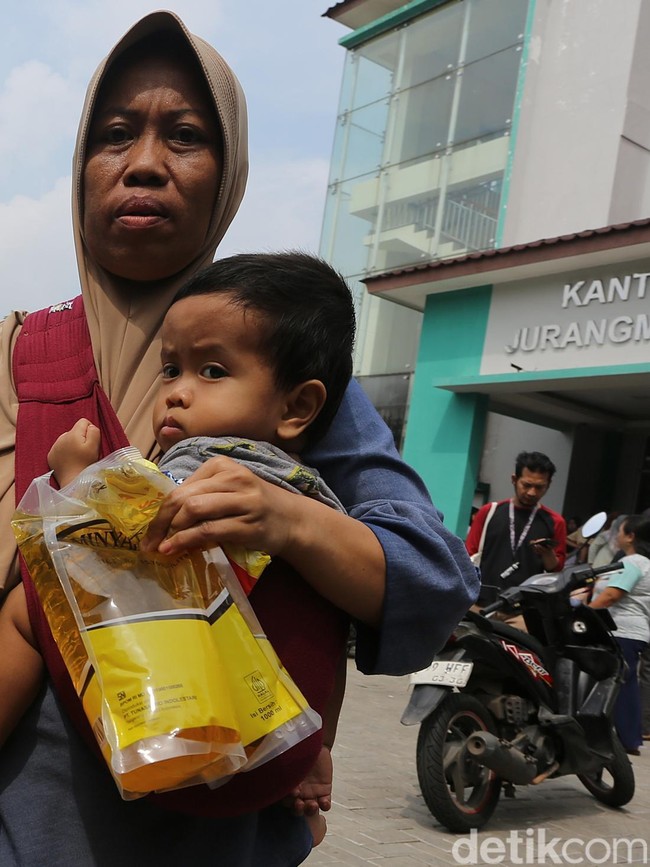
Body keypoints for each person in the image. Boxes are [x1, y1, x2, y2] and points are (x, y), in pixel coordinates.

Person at [0, 12, 479, 867]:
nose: (144, 162)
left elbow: (433, 576)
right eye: (114, 136)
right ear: (80, 168)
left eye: (184, 135)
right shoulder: (18, 352)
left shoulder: (271, 376)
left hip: (217, 836)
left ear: (227, 175)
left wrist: (291, 521)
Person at [2, 250, 358, 846]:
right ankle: (313, 761)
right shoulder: (317, 498)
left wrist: (76, 476)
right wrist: (315, 748)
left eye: (212, 372)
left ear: (297, 406)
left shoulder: (209, 462)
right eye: (171, 370)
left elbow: (124, 544)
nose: (177, 394)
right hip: (275, 755)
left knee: (23, 610)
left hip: (180, 730)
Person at [466, 450, 567, 608]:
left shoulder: (554, 522)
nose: (532, 492)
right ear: (514, 479)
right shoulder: (489, 512)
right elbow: (469, 555)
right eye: (526, 485)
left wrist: (547, 553)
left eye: (540, 487)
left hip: (525, 611)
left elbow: (556, 570)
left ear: (548, 485)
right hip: (481, 603)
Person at [589, 514, 650, 756]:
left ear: (631, 536)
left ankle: (627, 737)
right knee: (626, 681)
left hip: (622, 630)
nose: (617, 535)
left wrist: (583, 612)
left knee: (621, 683)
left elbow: (612, 595)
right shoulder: (642, 562)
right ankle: (628, 736)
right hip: (632, 631)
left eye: (620, 531)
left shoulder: (633, 562)